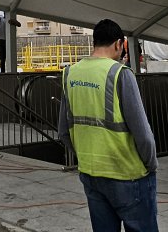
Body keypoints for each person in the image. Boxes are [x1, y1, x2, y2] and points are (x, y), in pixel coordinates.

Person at [58, 19, 158, 232]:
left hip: (91, 174)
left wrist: (85, 157)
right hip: (128, 174)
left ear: (95, 42)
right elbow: (143, 134)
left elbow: (63, 131)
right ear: (118, 44)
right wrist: (150, 164)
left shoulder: (70, 73)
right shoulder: (120, 73)